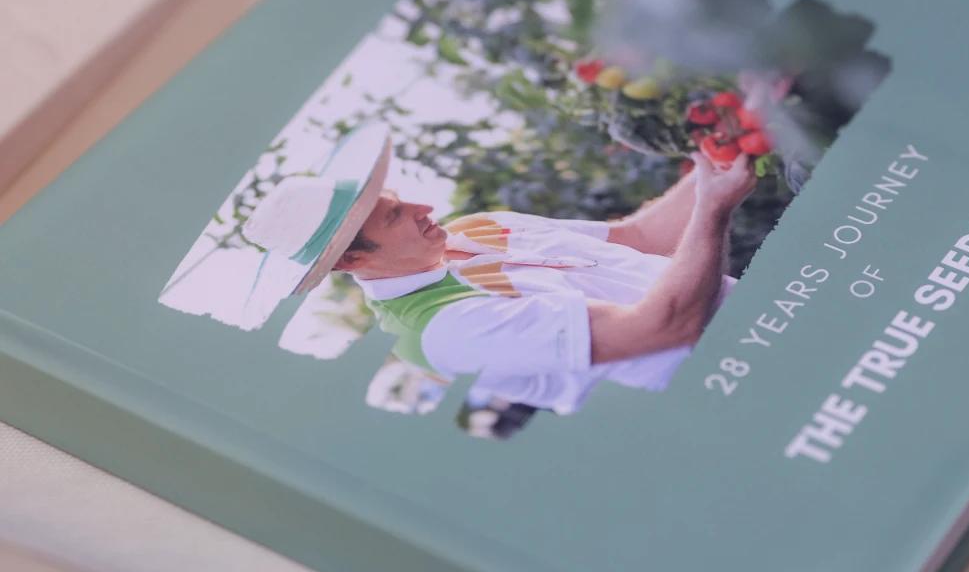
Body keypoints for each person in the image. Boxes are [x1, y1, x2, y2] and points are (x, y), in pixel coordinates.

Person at [243, 122, 757, 414]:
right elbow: (663, 329)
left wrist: (727, 143)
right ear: (353, 260)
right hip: (731, 393)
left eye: (397, 198)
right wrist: (713, 208)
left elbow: (637, 239)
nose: (424, 208)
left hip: (766, 318)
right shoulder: (440, 330)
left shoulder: (479, 227)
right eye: (396, 216)